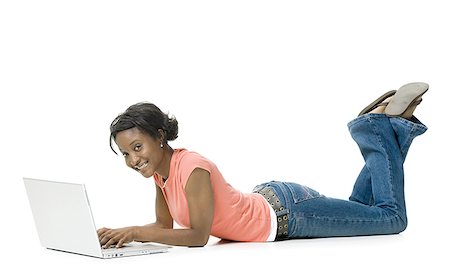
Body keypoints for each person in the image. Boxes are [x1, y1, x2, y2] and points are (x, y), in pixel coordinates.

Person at [97, 82, 429, 248]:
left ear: (159, 137)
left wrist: (135, 233)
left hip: (290, 215)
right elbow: (164, 226)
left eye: (137, 147)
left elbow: (198, 236)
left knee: (389, 218)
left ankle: (374, 128)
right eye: (125, 153)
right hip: (275, 202)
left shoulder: (192, 167)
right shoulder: (161, 175)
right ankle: (384, 124)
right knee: (364, 211)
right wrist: (122, 236)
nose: (132, 159)